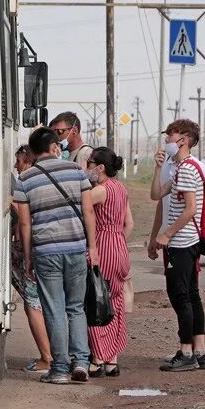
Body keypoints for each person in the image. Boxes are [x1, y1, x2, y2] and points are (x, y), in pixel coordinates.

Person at [14, 127, 98, 384]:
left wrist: (28, 258)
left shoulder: (25, 180)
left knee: (54, 310)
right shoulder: (76, 172)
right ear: (54, 148)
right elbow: (88, 212)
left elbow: (25, 224)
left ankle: (60, 369)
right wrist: (92, 247)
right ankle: (81, 363)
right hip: (75, 248)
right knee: (76, 308)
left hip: (45, 252)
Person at [147, 119, 205, 372]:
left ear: (184, 140)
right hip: (184, 242)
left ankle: (186, 352)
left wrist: (166, 234)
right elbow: (157, 195)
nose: (167, 140)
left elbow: (190, 208)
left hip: (182, 243)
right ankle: (197, 350)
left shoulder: (190, 169)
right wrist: (158, 168)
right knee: (190, 294)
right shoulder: (181, 168)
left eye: (170, 136)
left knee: (180, 296)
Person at [84, 147, 133, 377]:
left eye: (90, 163)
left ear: (100, 167)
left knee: (95, 301)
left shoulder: (100, 191)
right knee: (115, 302)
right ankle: (113, 358)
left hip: (102, 246)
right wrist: (119, 241)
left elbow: (81, 204)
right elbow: (129, 223)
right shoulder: (121, 189)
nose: (87, 168)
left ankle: (98, 358)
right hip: (119, 247)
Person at [10, 145, 52, 373]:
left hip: (32, 252)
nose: (16, 166)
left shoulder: (27, 181)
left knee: (33, 306)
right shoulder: (43, 180)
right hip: (46, 248)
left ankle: (47, 358)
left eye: (18, 161)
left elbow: (26, 218)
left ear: (27, 159)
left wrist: (8, 202)